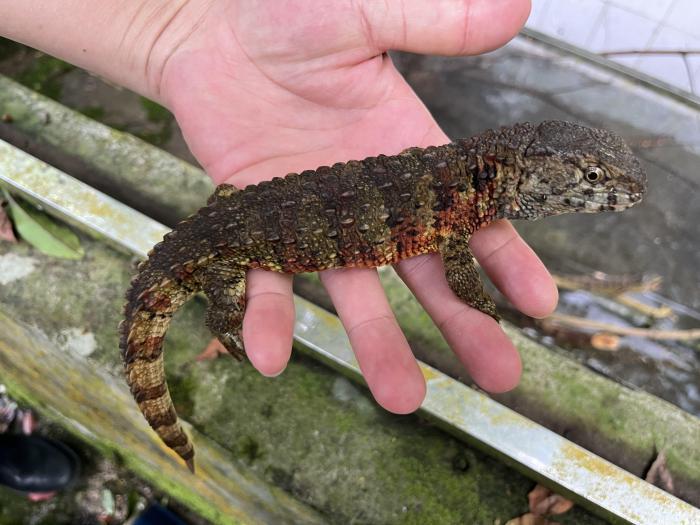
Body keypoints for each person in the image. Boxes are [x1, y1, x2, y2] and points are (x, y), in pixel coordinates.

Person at [1, 0, 556, 414]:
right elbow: (457, 272)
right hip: (226, 242)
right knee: (229, 294)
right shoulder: (455, 199)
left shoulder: (453, 185)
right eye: (592, 178)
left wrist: (178, 28)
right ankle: (215, 326)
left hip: (242, 213)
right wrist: (480, 301)